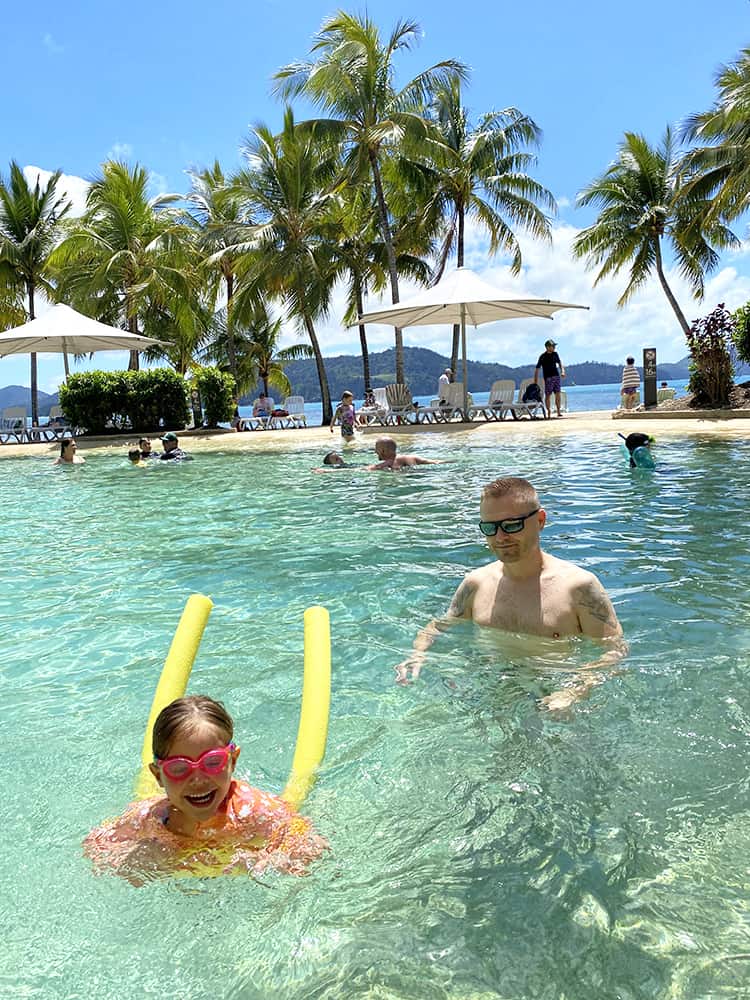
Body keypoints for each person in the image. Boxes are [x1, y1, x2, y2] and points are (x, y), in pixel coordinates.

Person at [395, 477, 626, 710]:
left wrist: (572, 692)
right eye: (490, 528)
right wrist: (417, 655)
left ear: (541, 520)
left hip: (555, 694)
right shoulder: (475, 583)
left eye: (511, 525)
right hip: (489, 693)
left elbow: (614, 651)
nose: (500, 537)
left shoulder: (579, 587)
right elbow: (438, 626)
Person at [83, 695, 326, 883]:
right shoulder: (151, 817)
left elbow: (309, 844)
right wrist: (135, 861)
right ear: (158, 775)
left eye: (212, 762)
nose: (198, 779)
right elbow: (96, 845)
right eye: (179, 768)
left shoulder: (255, 811)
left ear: (233, 761)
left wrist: (263, 862)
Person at [367, 436, 442, 471]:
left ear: (383, 451)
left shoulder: (389, 463)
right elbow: (436, 462)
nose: (375, 451)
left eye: (376, 449)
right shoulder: (413, 457)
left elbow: (370, 468)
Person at [534, 340, 566, 418]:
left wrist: (562, 371)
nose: (554, 347)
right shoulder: (543, 356)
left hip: (556, 376)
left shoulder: (555, 354)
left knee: (558, 394)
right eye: (553, 346)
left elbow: (560, 363)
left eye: (554, 346)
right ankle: (548, 412)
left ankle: (558, 411)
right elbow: (537, 369)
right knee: (548, 395)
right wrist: (535, 381)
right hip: (548, 378)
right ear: (547, 347)